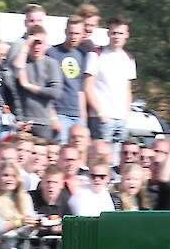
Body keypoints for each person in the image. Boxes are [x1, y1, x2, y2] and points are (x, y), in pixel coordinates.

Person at [84, 17, 136, 149]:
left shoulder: (128, 58)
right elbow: (87, 87)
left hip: (121, 119)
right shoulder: (96, 54)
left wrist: (126, 115)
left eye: (120, 33)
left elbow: (127, 89)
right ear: (108, 33)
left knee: (117, 161)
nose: (117, 37)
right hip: (100, 118)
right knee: (100, 158)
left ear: (127, 35)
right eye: (114, 33)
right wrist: (101, 114)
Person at [14, 25, 61, 140]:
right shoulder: (21, 61)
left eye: (40, 43)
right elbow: (13, 74)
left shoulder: (51, 63)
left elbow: (55, 93)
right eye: (34, 43)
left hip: (43, 121)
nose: (37, 46)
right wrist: (25, 48)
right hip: (23, 121)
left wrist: (29, 86)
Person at [46, 15, 88, 143]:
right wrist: (52, 117)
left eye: (77, 33)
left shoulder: (83, 55)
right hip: (59, 112)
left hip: (77, 114)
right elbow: (46, 87)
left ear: (82, 34)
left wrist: (83, 117)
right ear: (65, 32)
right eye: (71, 33)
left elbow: (81, 89)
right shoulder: (52, 53)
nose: (73, 36)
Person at [7, 4, 45, 70]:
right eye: (31, 21)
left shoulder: (46, 45)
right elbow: (10, 70)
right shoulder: (17, 45)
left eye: (39, 21)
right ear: (25, 23)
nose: (35, 24)